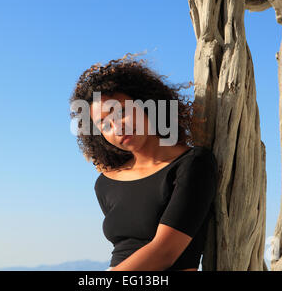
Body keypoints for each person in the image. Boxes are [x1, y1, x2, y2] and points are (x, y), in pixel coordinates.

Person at [69, 53, 218, 271]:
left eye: (120, 112)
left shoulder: (193, 165)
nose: (117, 127)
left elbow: (165, 252)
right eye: (105, 125)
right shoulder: (105, 184)